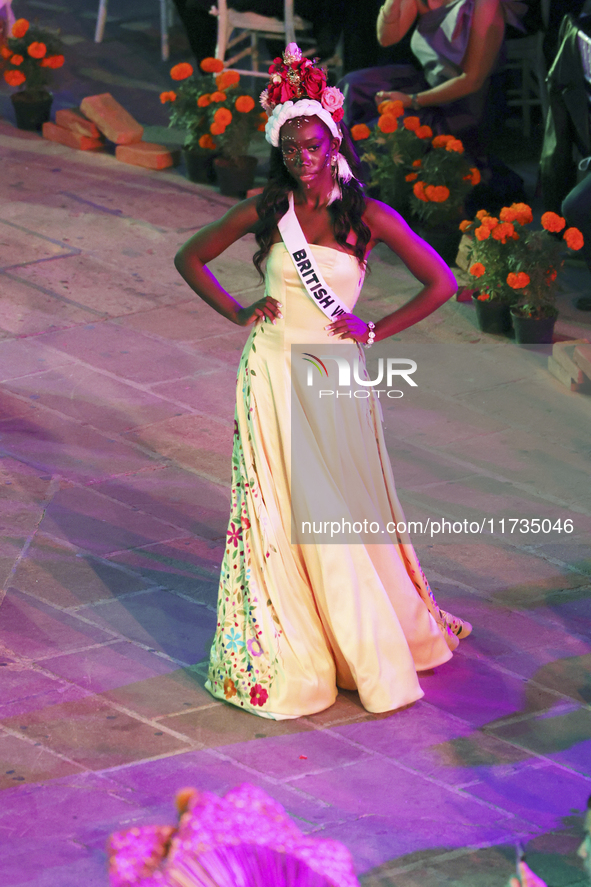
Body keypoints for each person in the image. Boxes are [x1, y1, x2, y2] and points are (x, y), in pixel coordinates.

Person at [174, 43, 471, 721]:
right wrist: (234, 308)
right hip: (273, 371)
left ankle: (360, 641)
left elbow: (441, 282)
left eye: (312, 144)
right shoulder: (265, 208)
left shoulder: (364, 216)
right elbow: (189, 256)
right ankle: (300, 645)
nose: (302, 158)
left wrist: (374, 331)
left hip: (335, 380)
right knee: (281, 509)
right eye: (289, 148)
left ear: (332, 140)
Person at [338, 0, 525, 152]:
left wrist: (411, 100)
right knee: (353, 86)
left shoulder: (485, 4)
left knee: (380, 132)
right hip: (429, 84)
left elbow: (472, 81)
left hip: (464, 105)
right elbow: (386, 38)